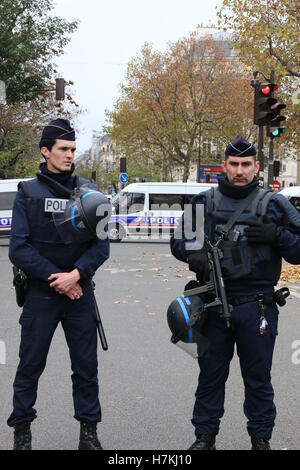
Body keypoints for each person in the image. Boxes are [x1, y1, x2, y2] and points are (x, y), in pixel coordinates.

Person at [170, 136, 300, 450]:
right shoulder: (205, 202)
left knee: (258, 379)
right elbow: (178, 242)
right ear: (224, 165)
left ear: (257, 166)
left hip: (257, 307)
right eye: (233, 164)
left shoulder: (274, 203)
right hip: (213, 305)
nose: (239, 170)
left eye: (245, 164)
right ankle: (204, 437)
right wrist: (195, 253)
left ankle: (260, 439)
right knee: (210, 376)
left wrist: (278, 235)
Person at [7, 118, 110, 450]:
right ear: (45, 151)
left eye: (73, 150)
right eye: (63, 149)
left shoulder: (92, 193)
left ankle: (89, 435)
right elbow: (19, 249)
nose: (69, 155)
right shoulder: (28, 193)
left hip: (79, 292)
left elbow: (102, 246)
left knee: (86, 368)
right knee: (30, 366)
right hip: (42, 294)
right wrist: (60, 279)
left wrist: (76, 275)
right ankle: (22, 434)